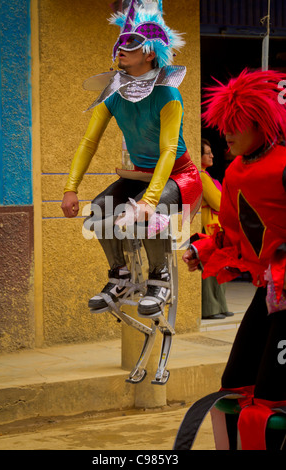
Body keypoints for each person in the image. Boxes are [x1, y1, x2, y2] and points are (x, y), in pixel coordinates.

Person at [61, 0, 202, 317]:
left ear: (150, 52)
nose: (121, 49)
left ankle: (159, 278)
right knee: (98, 209)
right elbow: (89, 141)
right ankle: (120, 276)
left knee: (143, 216)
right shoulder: (113, 91)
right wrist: (71, 188)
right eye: (120, 42)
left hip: (178, 176)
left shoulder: (169, 94)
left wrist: (150, 200)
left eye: (131, 42)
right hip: (139, 175)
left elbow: (168, 151)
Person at [176, 68, 286, 450]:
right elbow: (231, 232)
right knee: (233, 391)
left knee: (271, 403)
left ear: (262, 122)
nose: (227, 133)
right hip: (268, 292)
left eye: (237, 124)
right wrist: (202, 249)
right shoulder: (236, 171)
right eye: (225, 124)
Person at [200, 138, 233, 320]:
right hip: (209, 228)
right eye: (207, 152)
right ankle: (211, 308)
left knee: (219, 268)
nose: (212, 155)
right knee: (211, 270)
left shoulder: (207, 176)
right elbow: (219, 202)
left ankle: (220, 305)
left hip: (215, 228)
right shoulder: (202, 176)